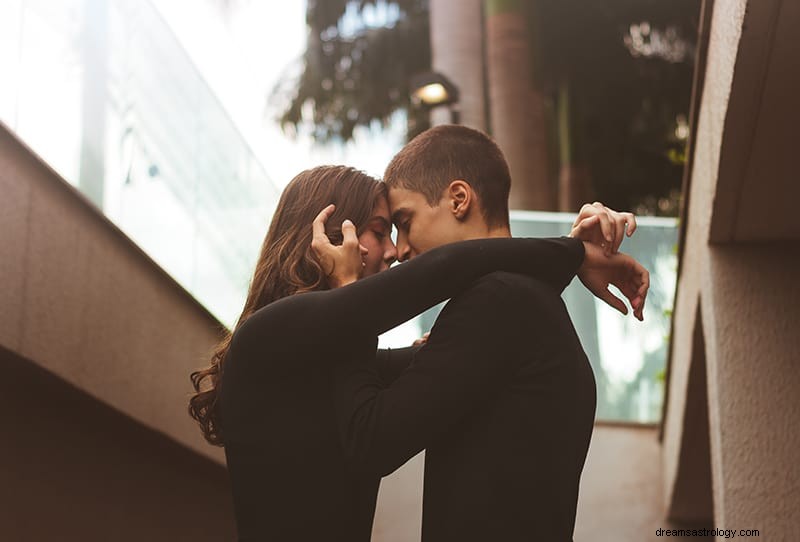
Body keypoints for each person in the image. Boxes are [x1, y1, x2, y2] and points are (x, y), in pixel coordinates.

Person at [188, 165, 647, 541]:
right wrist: (571, 253)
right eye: (378, 231)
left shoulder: (339, 362)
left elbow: (478, 347)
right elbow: (444, 271)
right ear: (326, 236)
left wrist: (571, 247)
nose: (393, 252)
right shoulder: (266, 335)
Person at [322, 125, 642, 541]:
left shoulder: (496, 302)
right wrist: (570, 252)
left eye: (404, 222)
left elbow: (369, 441)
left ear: (459, 199)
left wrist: (350, 303)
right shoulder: (522, 301)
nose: (399, 251)